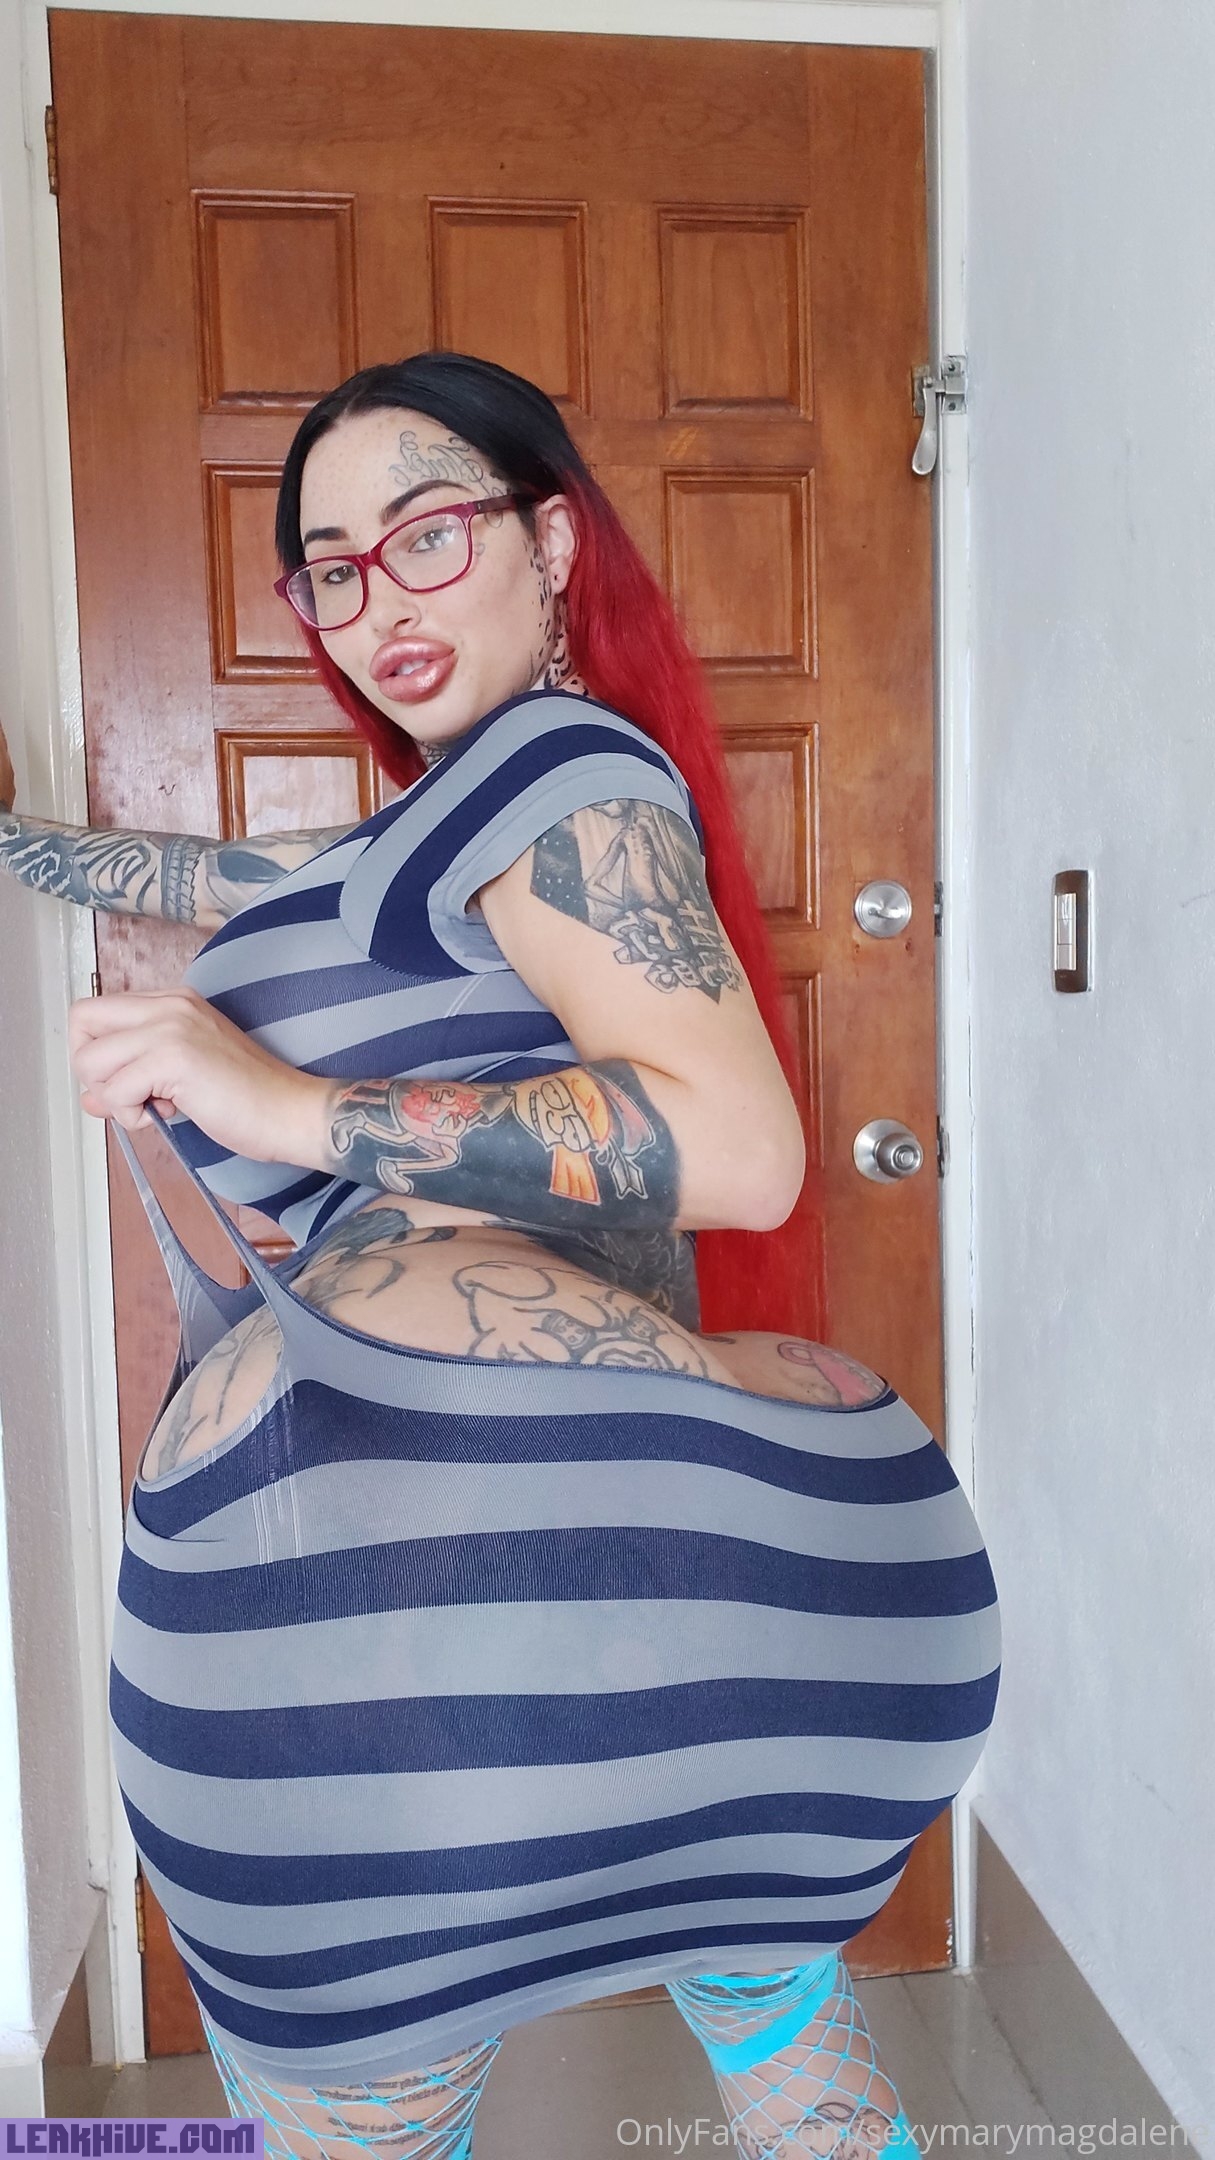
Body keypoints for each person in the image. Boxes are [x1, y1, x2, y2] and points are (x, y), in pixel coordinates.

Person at [2, 352, 1001, 2160]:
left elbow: (741, 1149)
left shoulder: (560, 765)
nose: (378, 600)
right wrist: (27, 845)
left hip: (429, 1644)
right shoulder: (426, 829)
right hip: (662, 1613)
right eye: (332, 570)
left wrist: (283, 1104)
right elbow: (200, 872)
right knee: (792, 2056)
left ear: (552, 547)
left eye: (428, 533)